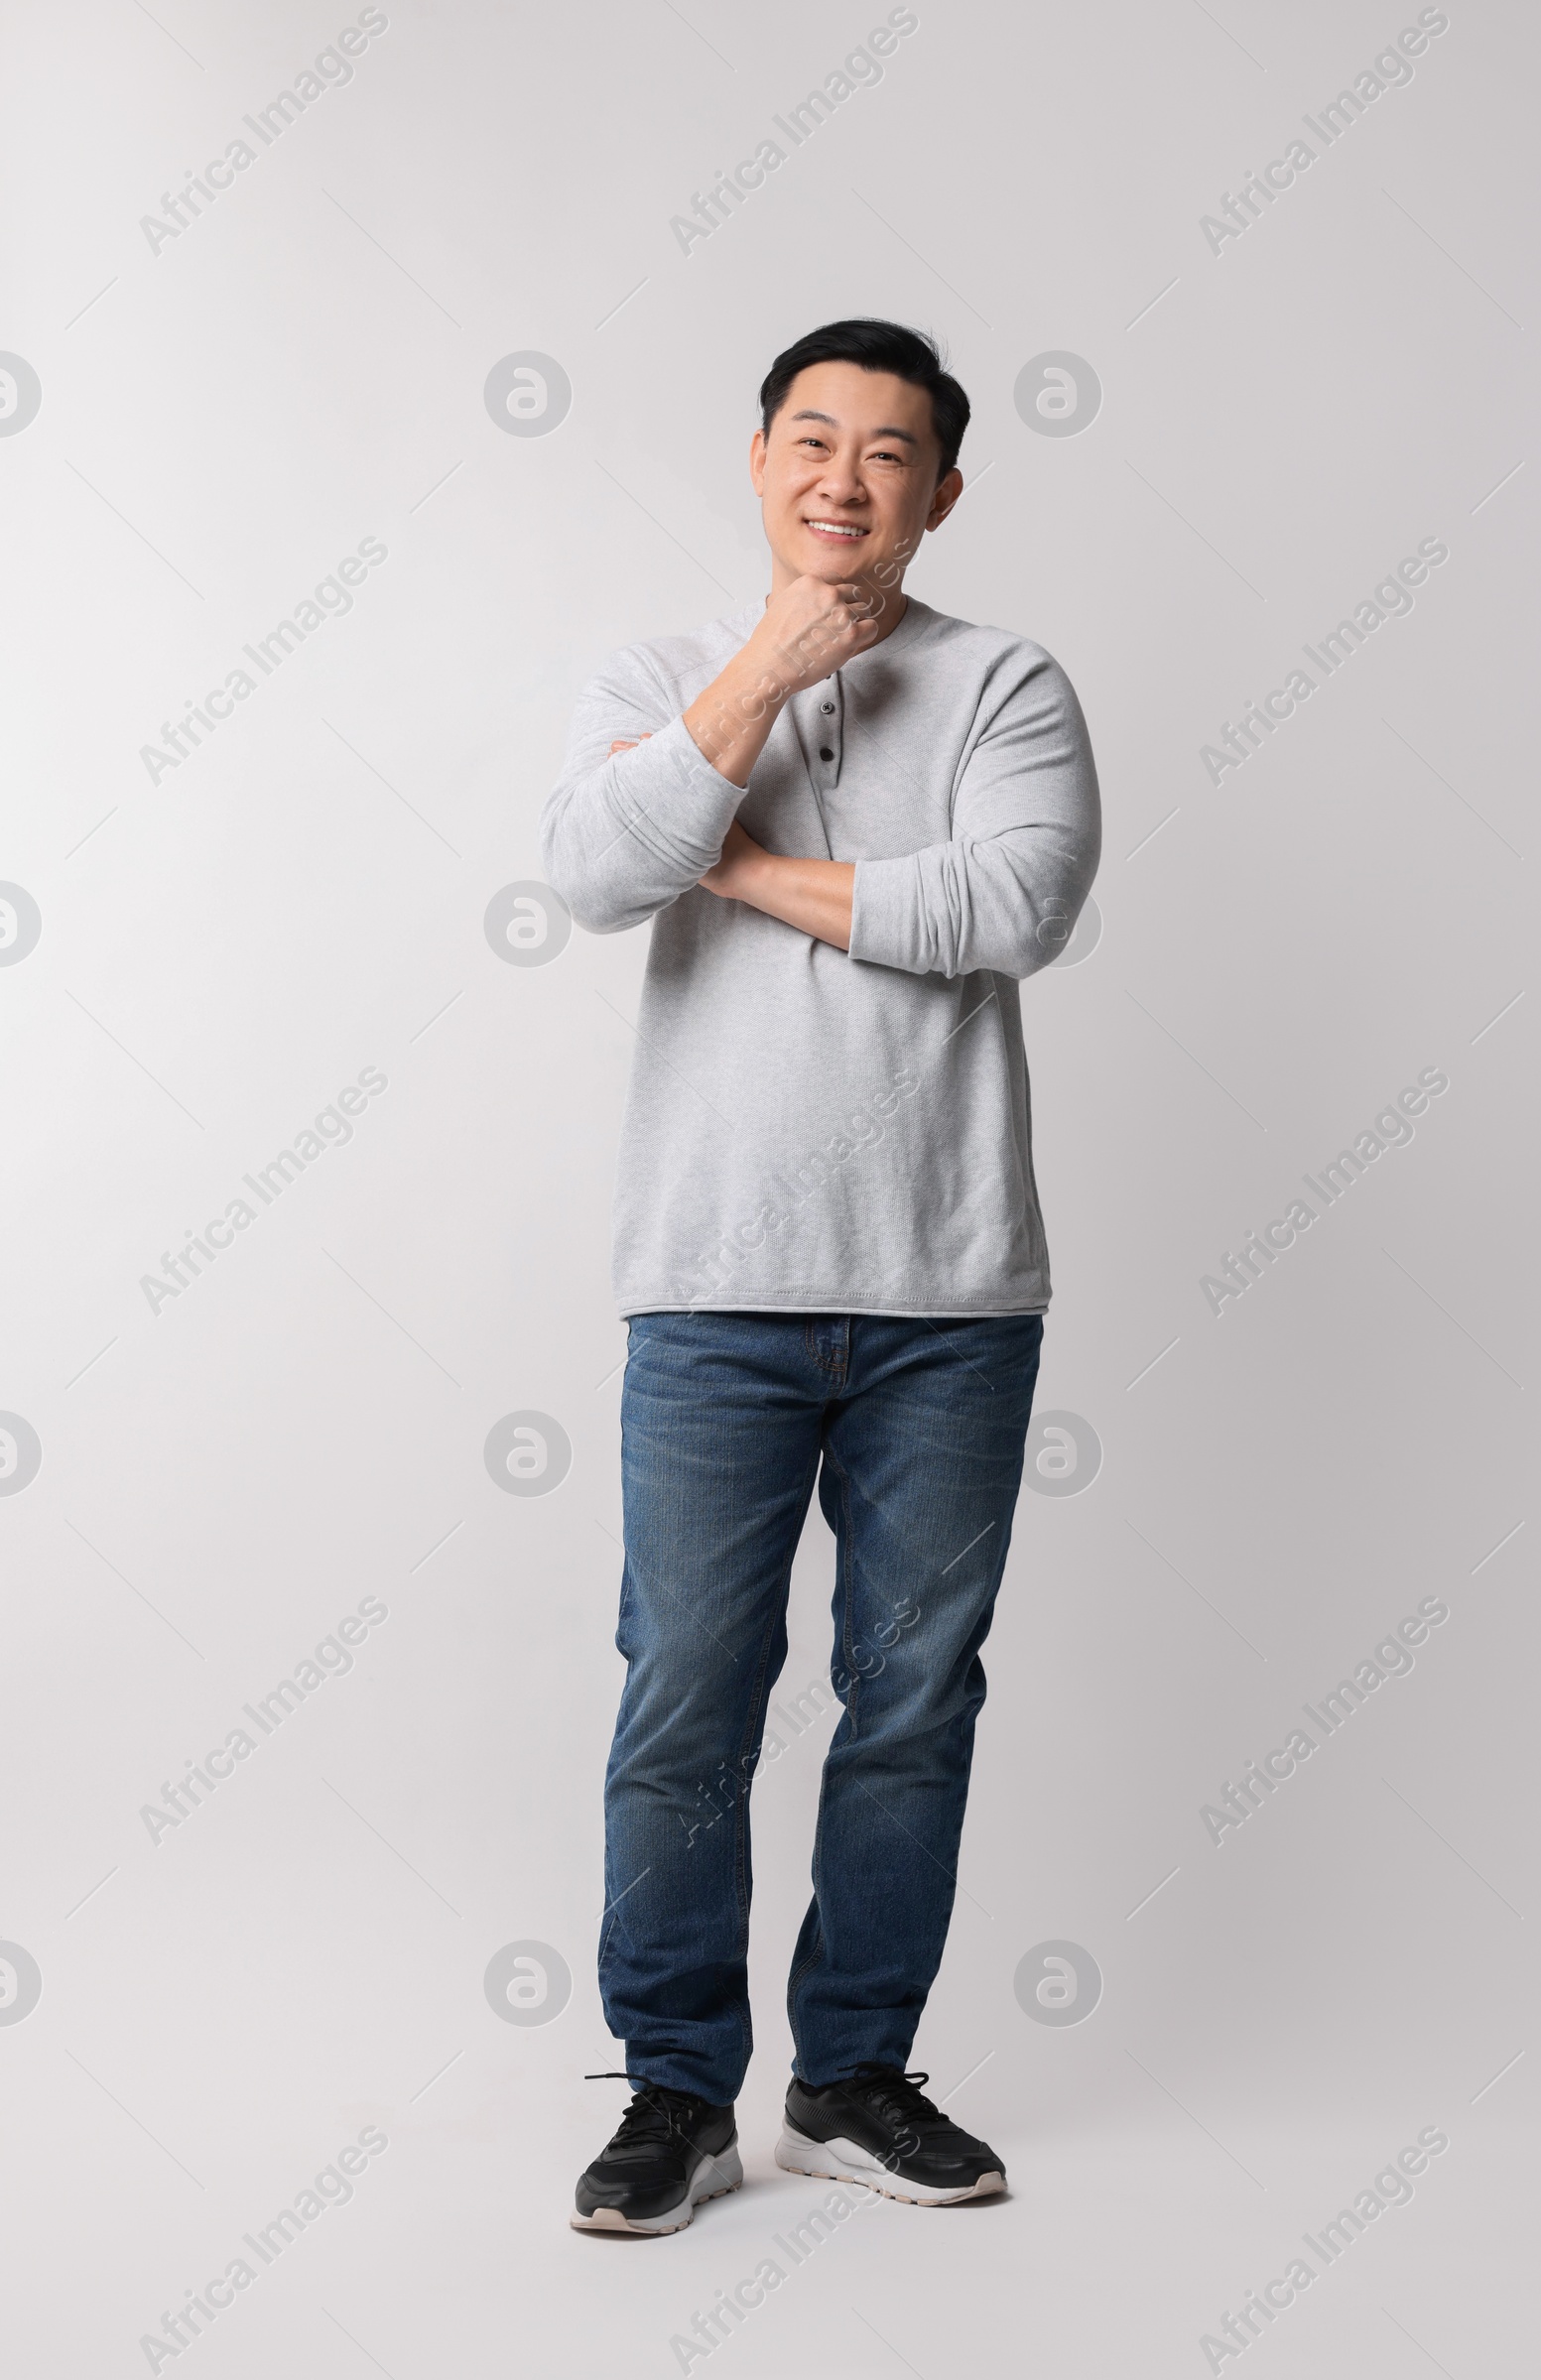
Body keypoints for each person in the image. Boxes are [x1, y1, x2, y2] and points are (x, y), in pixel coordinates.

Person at [540, 317, 1100, 2234]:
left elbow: (1002, 908)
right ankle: (678, 2094)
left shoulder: (1008, 679)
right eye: (810, 439)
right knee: (685, 1692)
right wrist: (771, 664)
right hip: (710, 1287)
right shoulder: (660, 674)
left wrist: (735, 856)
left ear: (942, 491)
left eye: (888, 453)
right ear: (760, 459)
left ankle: (852, 2075)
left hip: (950, 1296)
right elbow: (597, 868)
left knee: (913, 1698)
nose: (844, 477)